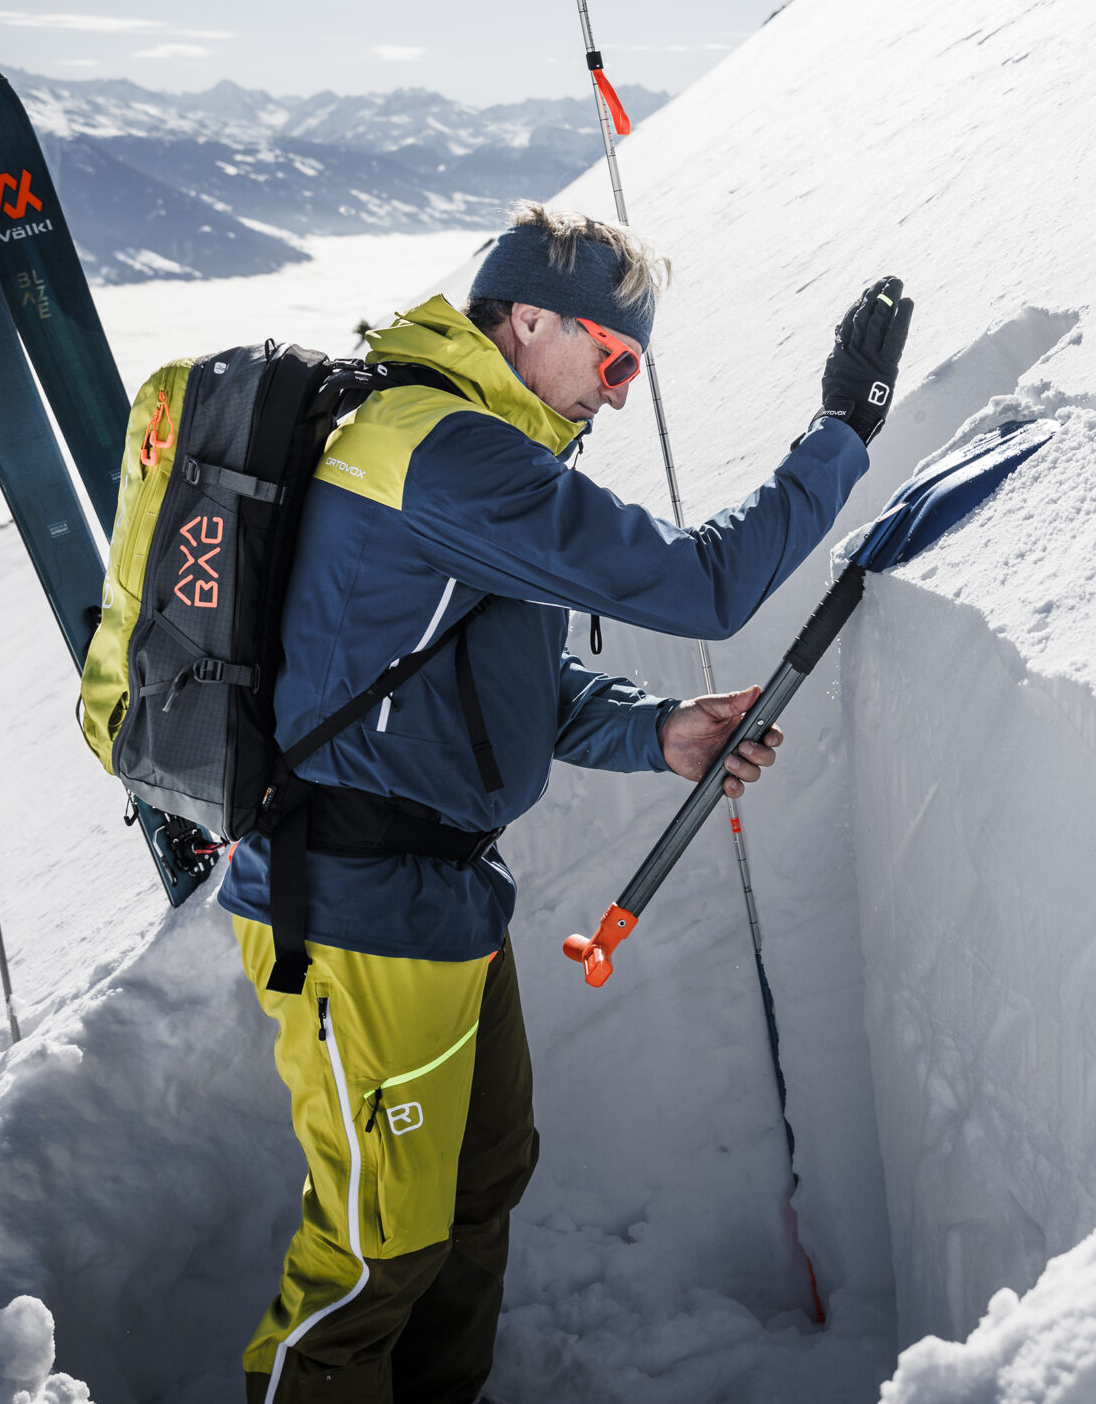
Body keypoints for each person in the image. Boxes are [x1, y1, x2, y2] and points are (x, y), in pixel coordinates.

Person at [218, 200, 913, 1403]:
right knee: (372, 1249)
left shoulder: (463, 442)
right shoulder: (445, 450)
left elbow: (492, 676)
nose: (621, 389)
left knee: (483, 1179)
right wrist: (841, 430)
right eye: (616, 354)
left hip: (437, 896)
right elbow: (702, 588)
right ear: (529, 318)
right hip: (354, 902)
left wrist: (656, 733)